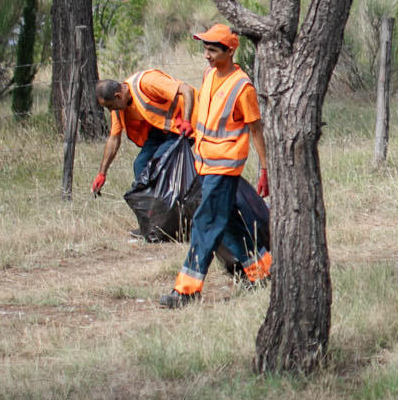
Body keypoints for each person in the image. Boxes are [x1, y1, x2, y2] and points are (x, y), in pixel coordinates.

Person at [162, 23, 269, 307]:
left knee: (205, 223)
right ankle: (263, 271)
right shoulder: (209, 75)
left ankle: (187, 291)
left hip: (224, 168)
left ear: (230, 51)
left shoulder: (243, 87)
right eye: (205, 49)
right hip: (205, 164)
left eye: (212, 50)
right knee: (227, 223)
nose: (206, 55)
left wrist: (264, 169)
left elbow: (256, 129)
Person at [90, 69, 197, 196]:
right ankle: (151, 207)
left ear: (118, 96)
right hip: (161, 130)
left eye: (110, 106)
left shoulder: (147, 82)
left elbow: (187, 90)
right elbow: (113, 139)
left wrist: (186, 121)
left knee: (159, 163)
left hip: (185, 125)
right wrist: (102, 173)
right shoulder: (119, 109)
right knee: (140, 165)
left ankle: (171, 203)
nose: (110, 111)